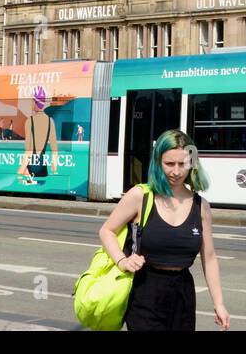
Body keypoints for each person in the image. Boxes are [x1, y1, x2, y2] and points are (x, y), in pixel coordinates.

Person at [98, 129, 229, 332]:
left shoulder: (200, 205)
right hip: (146, 291)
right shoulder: (140, 196)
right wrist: (122, 261)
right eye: (169, 164)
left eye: (182, 164)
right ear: (157, 162)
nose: (176, 172)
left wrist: (219, 303)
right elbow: (107, 231)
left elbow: (209, 257)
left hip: (183, 294)